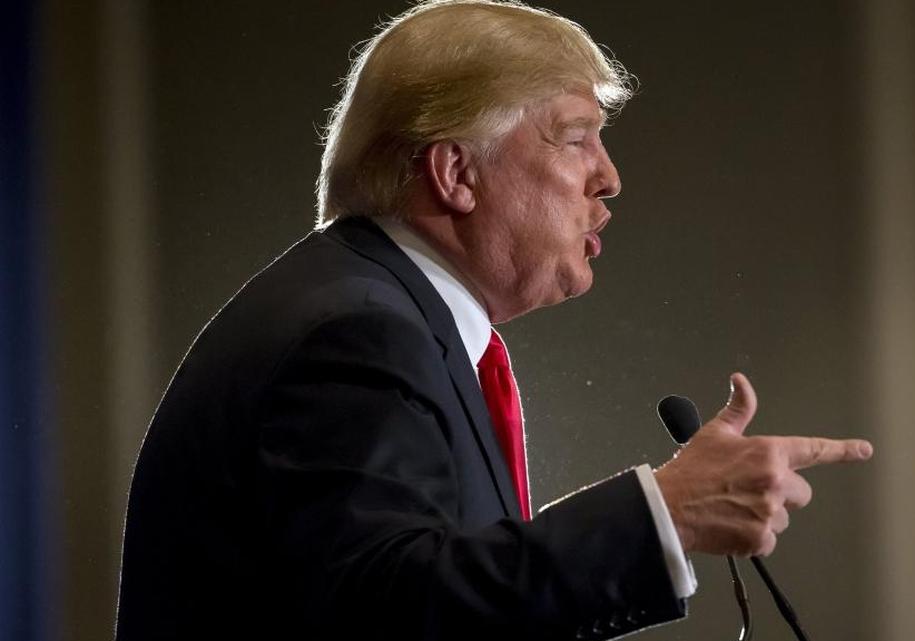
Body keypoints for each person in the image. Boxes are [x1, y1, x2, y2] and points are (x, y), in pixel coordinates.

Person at [115, 2, 873, 640]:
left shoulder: (385, 313)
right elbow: (389, 613)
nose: (609, 176)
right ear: (456, 172)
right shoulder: (355, 332)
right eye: (575, 137)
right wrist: (665, 514)